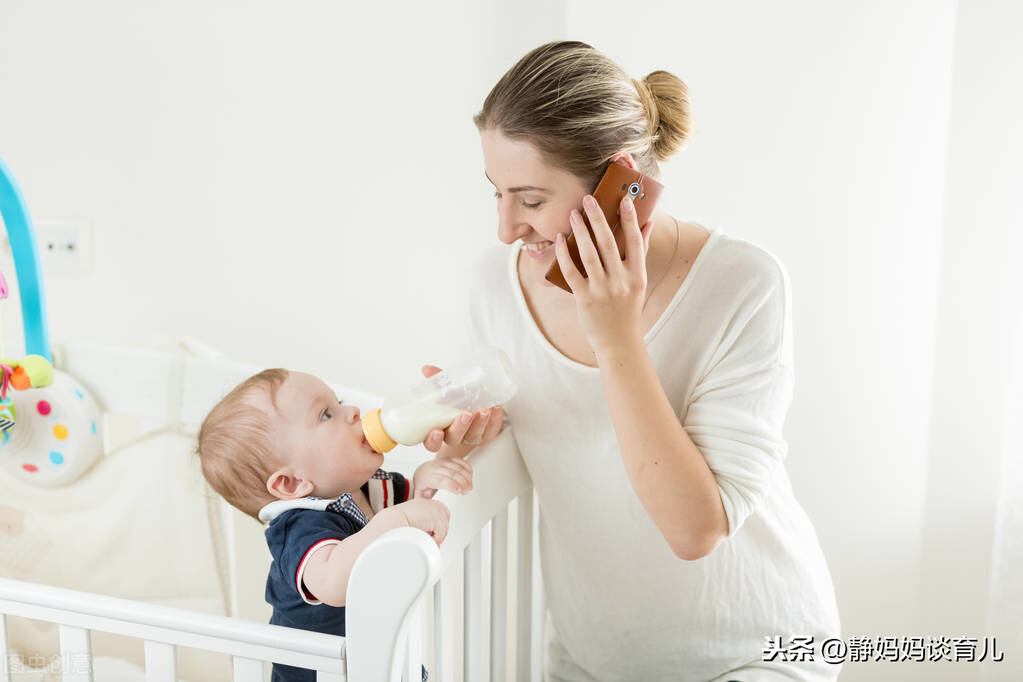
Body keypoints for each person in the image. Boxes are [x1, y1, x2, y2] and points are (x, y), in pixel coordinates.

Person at [426, 40, 843, 681]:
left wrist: (616, 336)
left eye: (532, 200)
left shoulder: (743, 283)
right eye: (497, 194)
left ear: (624, 185)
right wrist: (458, 443)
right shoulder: (490, 286)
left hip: (758, 652)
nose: (507, 229)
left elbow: (693, 531)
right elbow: (483, 450)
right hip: (594, 660)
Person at [196, 368, 480, 682]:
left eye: (339, 402)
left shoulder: (366, 488)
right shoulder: (296, 527)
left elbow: (414, 511)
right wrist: (396, 519)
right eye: (326, 415)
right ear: (291, 483)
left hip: (382, 662)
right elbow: (332, 582)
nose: (353, 411)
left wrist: (426, 483)